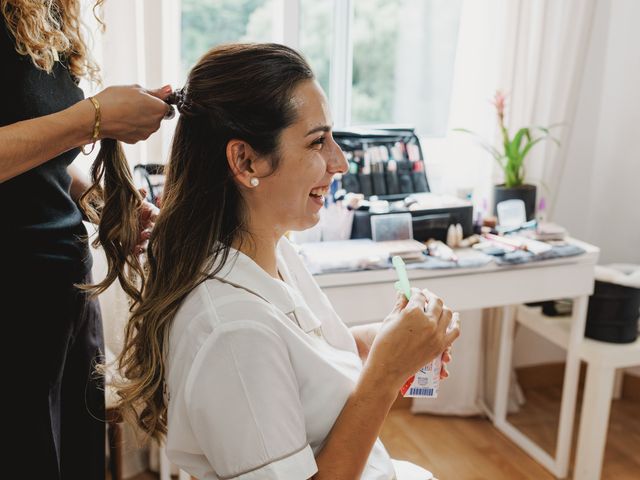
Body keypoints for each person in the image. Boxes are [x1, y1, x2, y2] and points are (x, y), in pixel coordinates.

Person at [87, 43, 460, 480]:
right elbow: (260, 349)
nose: (339, 162)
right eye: (318, 141)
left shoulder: (271, 252)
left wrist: (385, 343)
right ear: (246, 161)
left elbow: (299, 359)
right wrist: (383, 375)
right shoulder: (231, 329)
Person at [0, 1, 172, 478]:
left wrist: (99, 200)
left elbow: (39, 155)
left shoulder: (42, 13)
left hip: (64, 288)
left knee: (73, 453)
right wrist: (92, 117)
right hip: (9, 301)